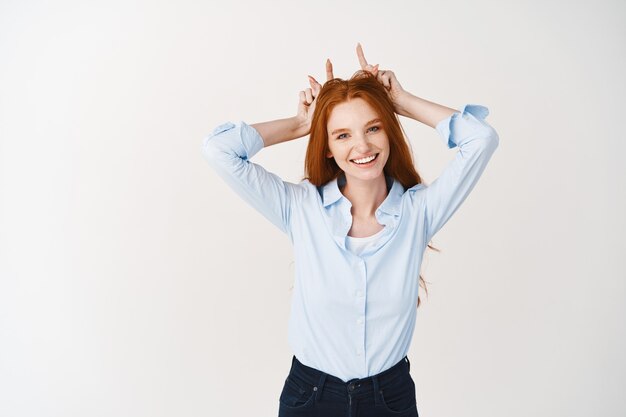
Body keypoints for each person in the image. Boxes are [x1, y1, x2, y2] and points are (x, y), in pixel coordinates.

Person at [202, 44, 499, 417]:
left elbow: (481, 139)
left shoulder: (418, 211)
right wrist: (300, 125)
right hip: (310, 396)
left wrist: (401, 102)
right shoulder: (300, 208)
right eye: (341, 135)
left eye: (373, 128)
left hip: (388, 398)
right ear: (326, 147)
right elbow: (219, 149)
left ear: (389, 132)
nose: (362, 146)